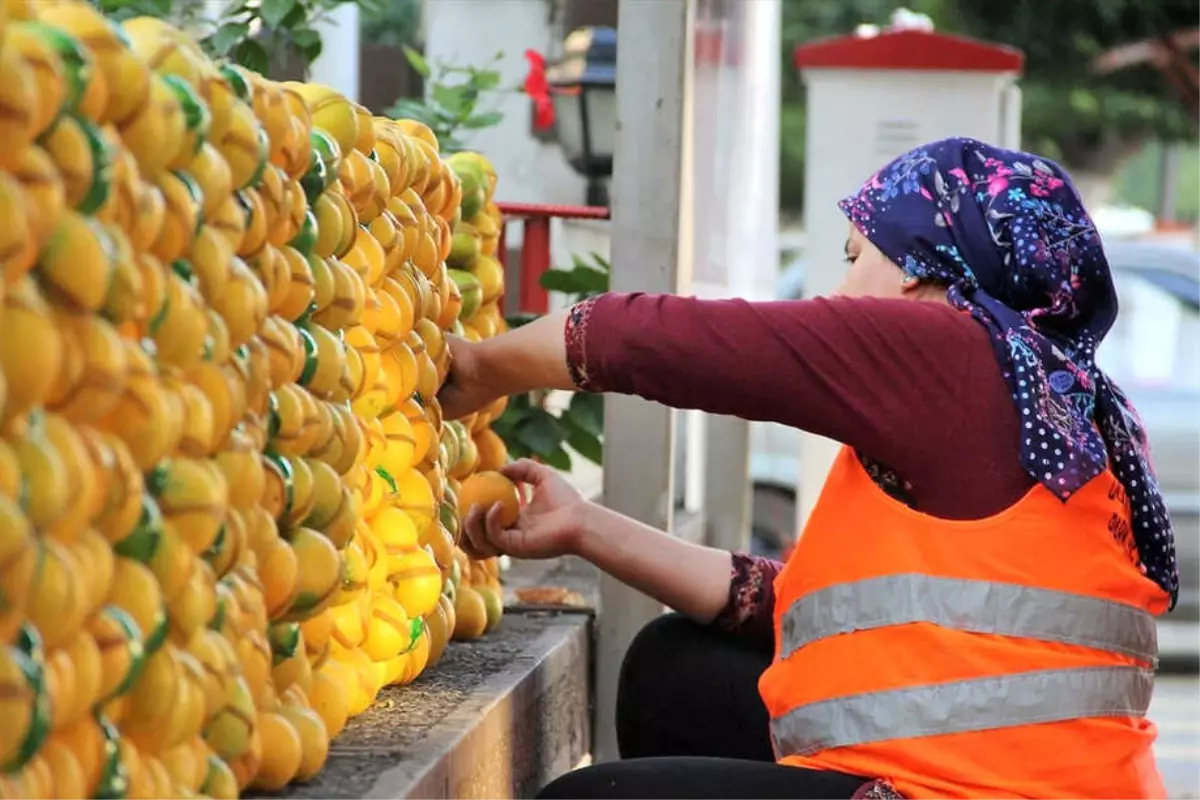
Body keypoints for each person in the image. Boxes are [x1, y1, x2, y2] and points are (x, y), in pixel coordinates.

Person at [437, 138, 1178, 800]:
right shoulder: (1054, 402)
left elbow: (666, 341)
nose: (838, 294)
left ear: (924, 276)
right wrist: (585, 527)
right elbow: (797, 609)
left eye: (857, 258)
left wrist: (477, 365)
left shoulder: (957, 358)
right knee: (681, 670)